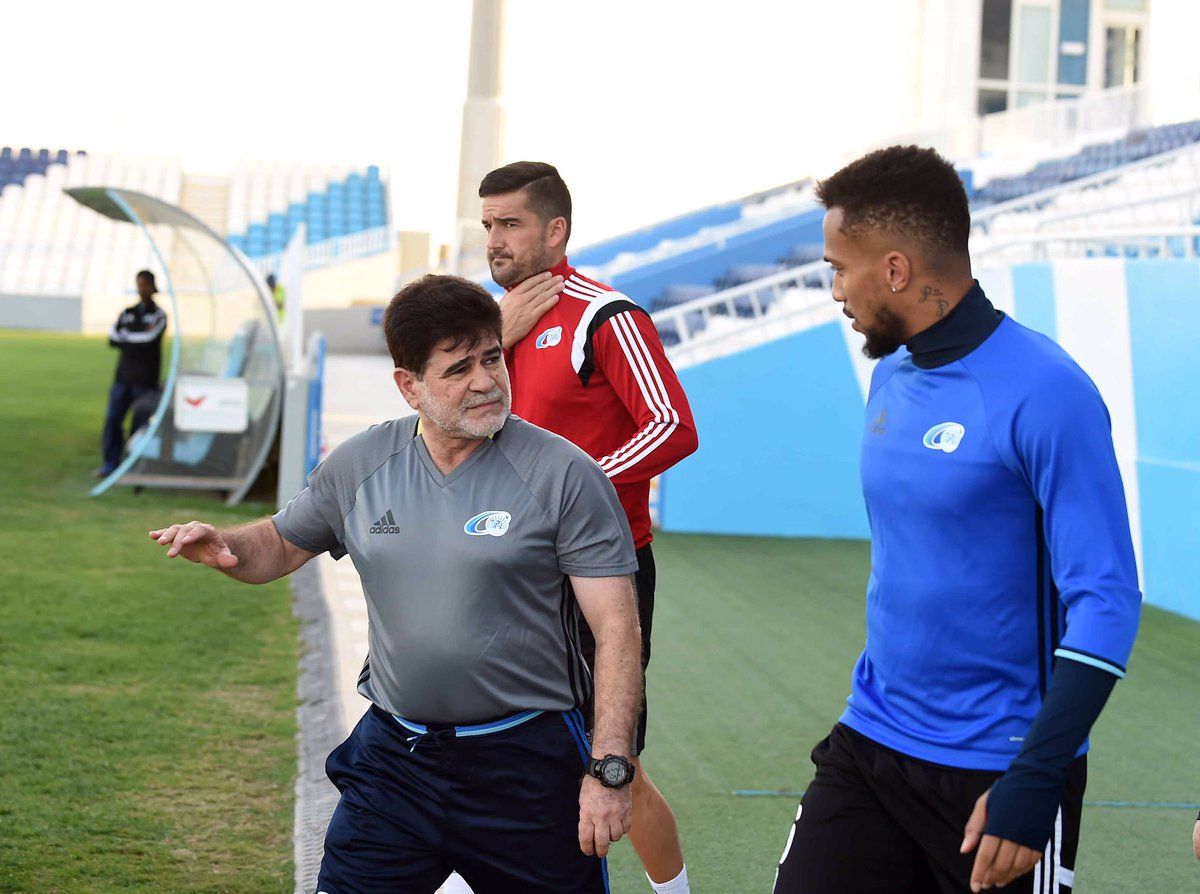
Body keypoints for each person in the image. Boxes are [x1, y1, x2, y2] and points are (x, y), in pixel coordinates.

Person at [148, 275, 644, 894]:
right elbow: (279, 542)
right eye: (458, 368)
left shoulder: (565, 474)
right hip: (395, 763)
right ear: (409, 386)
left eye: (492, 358)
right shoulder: (361, 463)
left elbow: (617, 628)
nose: (486, 381)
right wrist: (227, 545)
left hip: (524, 764)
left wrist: (608, 770)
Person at [772, 146, 1142, 894]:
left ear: (896, 270)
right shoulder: (890, 373)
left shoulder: (1049, 392)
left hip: (998, 771)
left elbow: (1107, 600)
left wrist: (1035, 777)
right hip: (871, 742)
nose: (835, 289)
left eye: (839, 269)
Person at [480, 161, 699, 894]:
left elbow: (672, 426)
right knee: (485, 747)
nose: (495, 239)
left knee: (611, 765)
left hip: (598, 572)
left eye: (511, 224)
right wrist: (493, 337)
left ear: (556, 230)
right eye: (488, 225)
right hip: (507, 570)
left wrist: (571, 492)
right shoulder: (489, 323)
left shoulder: (606, 316)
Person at [97, 270, 167, 476]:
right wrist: (135, 337)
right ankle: (111, 464)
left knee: (140, 424)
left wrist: (127, 336)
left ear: (153, 287)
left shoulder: (159, 315)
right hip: (123, 378)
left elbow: (149, 339)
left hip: (145, 381)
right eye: (139, 284)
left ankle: (135, 465)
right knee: (113, 420)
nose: (142, 289)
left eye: (145, 285)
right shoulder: (127, 312)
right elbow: (113, 338)